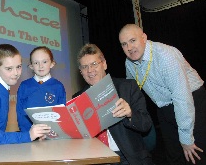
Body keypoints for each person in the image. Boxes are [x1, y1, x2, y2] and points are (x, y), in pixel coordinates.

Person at [118, 24, 206, 165]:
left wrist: (186, 139)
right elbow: (131, 89)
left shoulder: (165, 56)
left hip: (191, 100)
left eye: (132, 40)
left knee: (194, 153)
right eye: (124, 44)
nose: (129, 48)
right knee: (173, 156)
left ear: (144, 38)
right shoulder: (129, 62)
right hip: (164, 106)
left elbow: (182, 98)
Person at [73, 43, 154, 165]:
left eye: (94, 64)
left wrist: (130, 114)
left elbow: (146, 125)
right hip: (94, 159)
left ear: (104, 64)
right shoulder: (78, 99)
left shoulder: (128, 87)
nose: (90, 70)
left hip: (126, 157)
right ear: (81, 72)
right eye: (84, 67)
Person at [16, 46, 66, 132]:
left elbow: (62, 114)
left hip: (52, 136)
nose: (40, 66)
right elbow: (21, 113)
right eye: (36, 63)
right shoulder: (24, 86)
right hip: (30, 136)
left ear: (52, 64)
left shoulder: (58, 86)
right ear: (31, 66)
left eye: (45, 62)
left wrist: (53, 133)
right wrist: (29, 134)